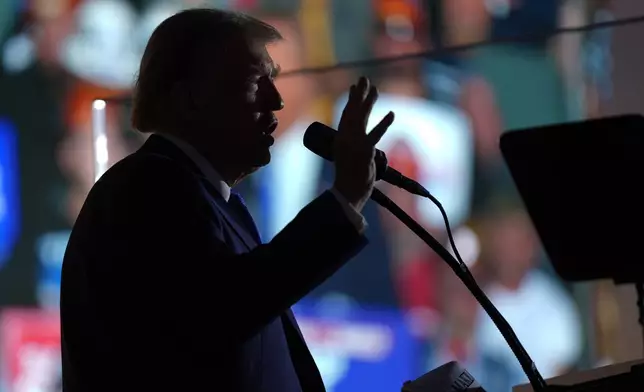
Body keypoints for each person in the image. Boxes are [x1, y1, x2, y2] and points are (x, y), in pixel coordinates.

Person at [59, 8, 395, 392]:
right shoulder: (149, 186)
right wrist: (344, 198)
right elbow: (224, 309)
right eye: (256, 82)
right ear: (190, 97)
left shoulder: (205, 194)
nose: (277, 102)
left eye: (275, 80)